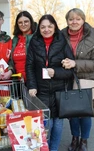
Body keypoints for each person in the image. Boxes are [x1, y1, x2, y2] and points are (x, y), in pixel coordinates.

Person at [26, 14, 74, 151]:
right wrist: (32, 85)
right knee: (45, 124)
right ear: (39, 29)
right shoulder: (34, 42)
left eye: (49, 26)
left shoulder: (62, 42)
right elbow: (29, 66)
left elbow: (71, 71)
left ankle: (53, 149)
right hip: (41, 91)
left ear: (55, 27)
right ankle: (44, 148)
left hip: (59, 90)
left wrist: (56, 72)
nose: (46, 29)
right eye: (43, 27)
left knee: (58, 124)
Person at [61, 8, 94, 151]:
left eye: (78, 19)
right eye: (71, 19)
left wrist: (75, 64)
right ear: (67, 21)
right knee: (72, 113)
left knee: (84, 112)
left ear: (83, 20)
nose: (74, 22)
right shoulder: (61, 35)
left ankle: (84, 141)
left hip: (86, 80)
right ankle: (74, 139)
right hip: (67, 79)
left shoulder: (93, 36)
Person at [10, 10, 37, 81]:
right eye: (20, 22)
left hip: (33, 80)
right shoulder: (14, 40)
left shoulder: (37, 37)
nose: (23, 24)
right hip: (17, 80)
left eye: (26, 21)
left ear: (31, 22)